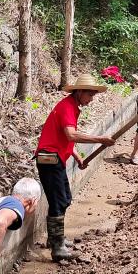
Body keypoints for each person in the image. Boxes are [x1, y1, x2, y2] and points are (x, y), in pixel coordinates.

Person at [35, 73, 115, 261]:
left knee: (64, 199)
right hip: (50, 159)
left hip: (56, 158)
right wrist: (100, 139)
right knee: (58, 201)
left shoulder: (71, 107)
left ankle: (55, 238)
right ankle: (57, 248)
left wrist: (78, 157)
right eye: (90, 95)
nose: (91, 99)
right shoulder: (66, 107)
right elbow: (71, 135)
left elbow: (65, 138)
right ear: (79, 92)